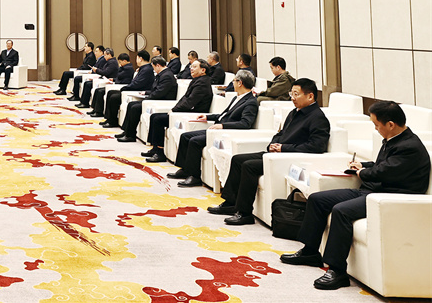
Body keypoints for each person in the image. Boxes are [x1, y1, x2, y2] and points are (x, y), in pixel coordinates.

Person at [280, 101, 431, 290]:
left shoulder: (410, 147)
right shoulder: (394, 139)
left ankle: (337, 271)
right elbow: (383, 166)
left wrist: (362, 172)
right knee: (318, 199)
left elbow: (385, 172)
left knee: (341, 211)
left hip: (390, 197)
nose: (376, 129)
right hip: (372, 190)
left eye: (377, 125)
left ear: (391, 124)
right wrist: (363, 166)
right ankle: (310, 251)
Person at [208, 78, 330, 225]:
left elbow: (317, 146)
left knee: (249, 166)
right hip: (277, 153)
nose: (292, 98)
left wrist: (284, 148)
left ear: (310, 96)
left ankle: (244, 213)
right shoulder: (294, 113)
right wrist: (273, 144)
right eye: (291, 94)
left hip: (289, 158)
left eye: (296, 94)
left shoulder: (318, 118)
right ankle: (230, 203)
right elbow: (280, 133)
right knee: (238, 159)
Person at [168, 70, 259, 187]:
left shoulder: (250, 102)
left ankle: (194, 176)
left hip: (226, 133)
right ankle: (185, 169)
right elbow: (224, 115)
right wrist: (207, 117)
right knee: (185, 136)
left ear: (240, 83)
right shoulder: (236, 98)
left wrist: (223, 126)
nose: (233, 83)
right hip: (218, 129)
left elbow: (245, 123)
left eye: (234, 81)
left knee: (194, 141)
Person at [143, 58, 215, 162]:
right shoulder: (197, 80)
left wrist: (174, 111)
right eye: (191, 66)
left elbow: (190, 102)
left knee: (158, 119)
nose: (191, 69)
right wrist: (174, 109)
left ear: (203, 70)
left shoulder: (202, 83)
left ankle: (160, 153)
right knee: (154, 116)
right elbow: (184, 98)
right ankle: (155, 148)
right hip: (186, 111)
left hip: (194, 113)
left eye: (194, 67)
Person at [116, 56, 177, 141]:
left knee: (135, 107)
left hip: (161, 101)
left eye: (154, 67)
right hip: (156, 98)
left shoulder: (167, 76)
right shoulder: (162, 74)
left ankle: (130, 135)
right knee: (131, 104)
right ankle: (127, 131)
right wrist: (146, 92)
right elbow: (156, 89)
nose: (153, 70)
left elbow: (159, 93)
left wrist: (147, 98)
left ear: (158, 65)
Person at [100, 51, 154, 127]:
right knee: (110, 92)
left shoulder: (146, 69)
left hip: (138, 91)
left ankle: (112, 121)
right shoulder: (143, 68)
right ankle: (109, 119)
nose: (136, 61)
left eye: (137, 58)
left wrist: (125, 88)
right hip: (134, 88)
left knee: (114, 97)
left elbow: (137, 84)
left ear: (140, 59)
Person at [90, 52, 136, 118]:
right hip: (117, 83)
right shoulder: (124, 67)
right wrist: (113, 79)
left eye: (120, 62)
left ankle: (99, 112)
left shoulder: (128, 68)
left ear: (125, 61)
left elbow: (119, 76)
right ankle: (95, 109)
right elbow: (119, 77)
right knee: (98, 90)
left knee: (101, 92)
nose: (120, 64)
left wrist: (116, 78)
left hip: (121, 85)